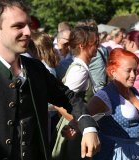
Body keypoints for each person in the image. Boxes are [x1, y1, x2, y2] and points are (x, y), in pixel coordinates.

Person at [0, 1, 100, 160]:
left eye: (28, 25)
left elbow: (69, 98)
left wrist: (88, 127)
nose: (28, 32)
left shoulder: (35, 69)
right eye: (18, 26)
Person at [52, 25, 99, 160]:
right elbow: (60, 103)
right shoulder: (80, 71)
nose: (98, 45)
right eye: (94, 43)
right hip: (73, 126)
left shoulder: (81, 67)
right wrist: (80, 126)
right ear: (81, 45)